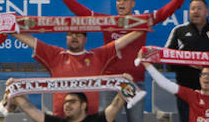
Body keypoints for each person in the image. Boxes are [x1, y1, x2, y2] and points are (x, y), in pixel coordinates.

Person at [54, 0, 189, 122]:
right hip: (111, 84)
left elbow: (163, 13)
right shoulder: (107, 21)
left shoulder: (142, 21)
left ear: (133, 3)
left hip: (135, 82)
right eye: (118, 0)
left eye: (125, 0)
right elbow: (82, 12)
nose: (121, 3)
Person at [11, 27, 144, 115]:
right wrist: (10, 30)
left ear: (85, 39)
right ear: (66, 37)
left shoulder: (97, 56)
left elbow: (121, 42)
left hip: (91, 120)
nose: (74, 37)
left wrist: (144, 27)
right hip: (61, 121)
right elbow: (32, 42)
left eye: (79, 34)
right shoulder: (55, 55)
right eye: (71, 34)